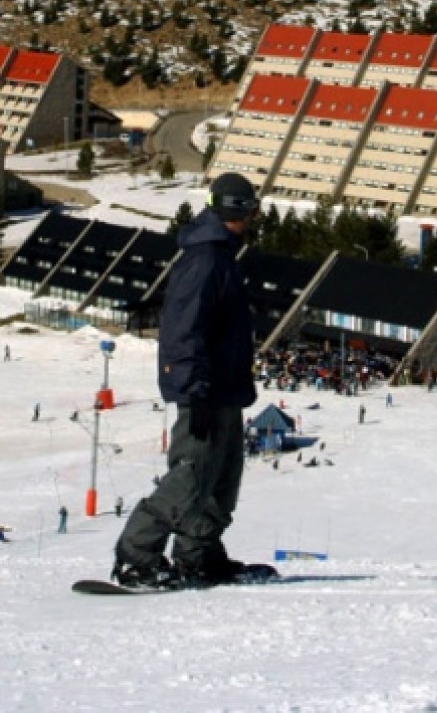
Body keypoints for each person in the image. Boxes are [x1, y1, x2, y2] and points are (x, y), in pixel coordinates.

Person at [113, 172, 263, 590]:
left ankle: (199, 555)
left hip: (225, 390)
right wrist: (193, 391)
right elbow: (182, 329)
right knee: (191, 476)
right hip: (205, 391)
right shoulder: (205, 259)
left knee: (222, 478)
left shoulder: (222, 256)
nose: (253, 216)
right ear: (239, 209)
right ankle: (136, 555)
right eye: (250, 207)